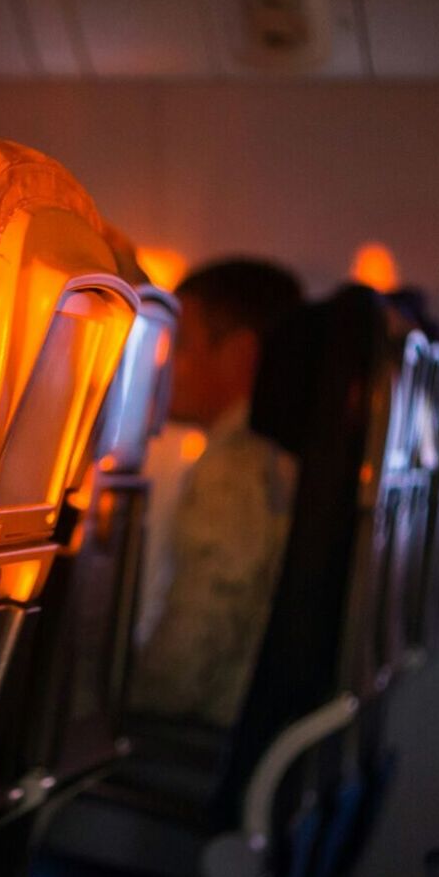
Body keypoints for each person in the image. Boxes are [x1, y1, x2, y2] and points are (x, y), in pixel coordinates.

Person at [128, 257, 304, 728]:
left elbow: (192, 650)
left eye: (180, 343)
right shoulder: (281, 456)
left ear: (240, 355)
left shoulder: (235, 466)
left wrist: (109, 697)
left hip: (203, 740)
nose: (166, 362)